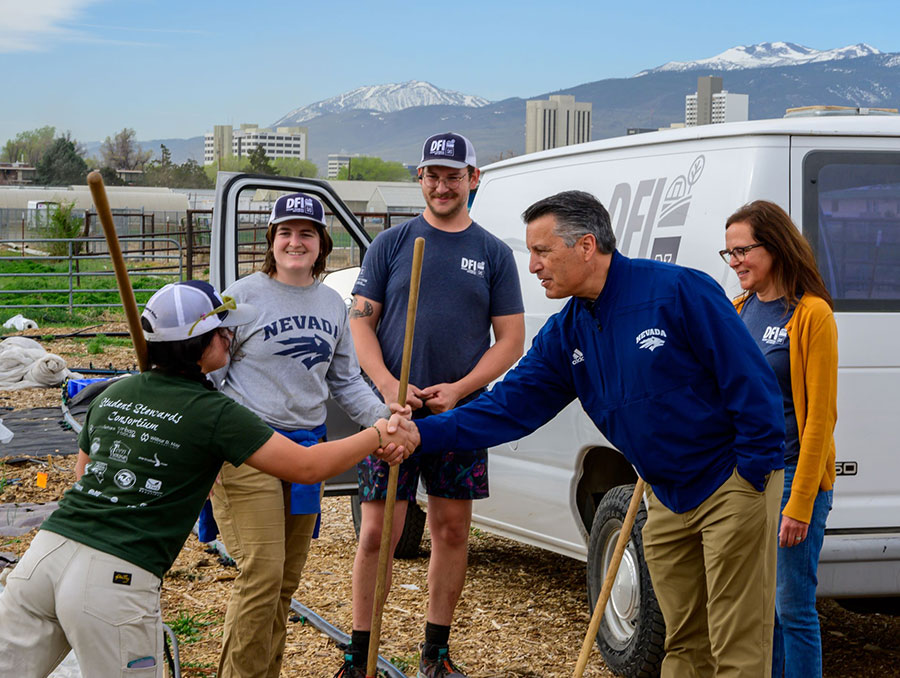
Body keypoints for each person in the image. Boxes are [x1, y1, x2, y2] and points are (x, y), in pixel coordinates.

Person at [394, 190, 788, 676]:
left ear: (585, 246)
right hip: (666, 495)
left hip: (730, 483)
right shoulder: (569, 331)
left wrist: (751, 472)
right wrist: (421, 434)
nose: (533, 266)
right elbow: (508, 407)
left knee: (738, 643)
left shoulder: (678, 291)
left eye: (542, 251)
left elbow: (751, 384)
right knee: (683, 640)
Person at [0, 281, 417, 678]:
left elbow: (84, 478)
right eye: (223, 331)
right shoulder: (215, 413)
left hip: (43, 559)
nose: (231, 338)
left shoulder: (113, 394)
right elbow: (306, 467)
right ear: (201, 341)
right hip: (115, 580)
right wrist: (378, 434)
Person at [338, 132, 525, 678]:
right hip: (393, 415)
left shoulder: (493, 253)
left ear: (474, 178)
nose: (442, 185)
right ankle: (360, 653)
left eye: (453, 175)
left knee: (451, 531)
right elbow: (360, 322)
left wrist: (461, 390)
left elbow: (510, 341)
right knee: (378, 534)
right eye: (432, 175)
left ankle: (435, 652)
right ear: (419, 178)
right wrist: (388, 384)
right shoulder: (391, 244)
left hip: (459, 417)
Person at [209, 193, 393, 678]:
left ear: (321, 243)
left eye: (306, 232)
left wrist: (383, 421)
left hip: (306, 448)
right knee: (262, 574)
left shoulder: (333, 303)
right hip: (248, 443)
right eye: (286, 232)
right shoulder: (240, 296)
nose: (296, 241)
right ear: (272, 240)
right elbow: (211, 373)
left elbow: (346, 380)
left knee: (285, 582)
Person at [723, 201, 837, 678]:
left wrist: (801, 503)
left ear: (775, 246)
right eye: (728, 254)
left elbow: (821, 421)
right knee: (760, 610)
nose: (735, 263)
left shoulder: (812, 315)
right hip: (748, 478)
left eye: (743, 250)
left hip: (794, 478)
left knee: (793, 609)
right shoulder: (736, 311)